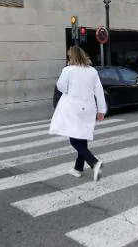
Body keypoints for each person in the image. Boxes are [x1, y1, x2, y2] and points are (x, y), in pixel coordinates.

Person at [49, 46, 107, 181]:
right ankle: (78, 168)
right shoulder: (92, 71)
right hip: (89, 108)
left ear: (72, 57)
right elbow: (99, 90)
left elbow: (61, 86)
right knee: (82, 137)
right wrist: (101, 110)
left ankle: (94, 162)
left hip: (74, 107)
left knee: (74, 140)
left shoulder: (68, 70)